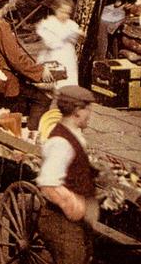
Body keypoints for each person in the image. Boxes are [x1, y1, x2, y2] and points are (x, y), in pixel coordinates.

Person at [35, 85, 99, 264]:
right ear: (77, 111)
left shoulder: (74, 134)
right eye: (88, 110)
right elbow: (48, 183)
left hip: (73, 225)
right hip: (61, 225)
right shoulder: (60, 143)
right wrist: (72, 203)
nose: (90, 115)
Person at [37, 0, 84, 88]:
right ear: (55, 9)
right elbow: (50, 43)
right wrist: (66, 35)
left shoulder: (71, 24)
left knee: (69, 79)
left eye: (68, 13)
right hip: (53, 56)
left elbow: (77, 39)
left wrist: (80, 36)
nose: (64, 15)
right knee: (55, 81)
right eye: (62, 12)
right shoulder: (49, 23)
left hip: (68, 56)